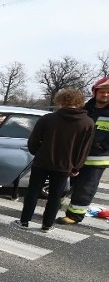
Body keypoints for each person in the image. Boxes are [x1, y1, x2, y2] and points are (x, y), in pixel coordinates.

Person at [14, 88, 93, 231]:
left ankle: (24, 221)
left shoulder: (47, 119)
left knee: (33, 191)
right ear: (80, 102)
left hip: (42, 161)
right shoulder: (87, 123)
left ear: (60, 101)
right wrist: (76, 167)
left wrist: (38, 153)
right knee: (56, 195)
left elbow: (33, 141)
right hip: (65, 165)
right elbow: (84, 149)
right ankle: (47, 225)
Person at [57, 77, 109, 225]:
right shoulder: (85, 109)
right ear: (95, 92)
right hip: (75, 156)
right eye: (102, 92)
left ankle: (74, 216)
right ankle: (53, 207)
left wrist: (102, 146)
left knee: (85, 187)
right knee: (62, 183)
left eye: (108, 92)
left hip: (97, 157)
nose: (105, 95)